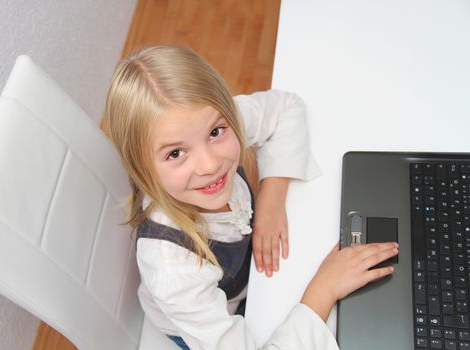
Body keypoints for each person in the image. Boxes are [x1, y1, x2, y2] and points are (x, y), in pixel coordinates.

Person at [103, 45, 398, 350]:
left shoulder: (209, 120)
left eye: (216, 132)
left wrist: (272, 196)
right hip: (211, 320)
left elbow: (286, 107)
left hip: (253, 279)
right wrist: (323, 290)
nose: (210, 164)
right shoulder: (172, 268)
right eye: (175, 153)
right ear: (140, 166)